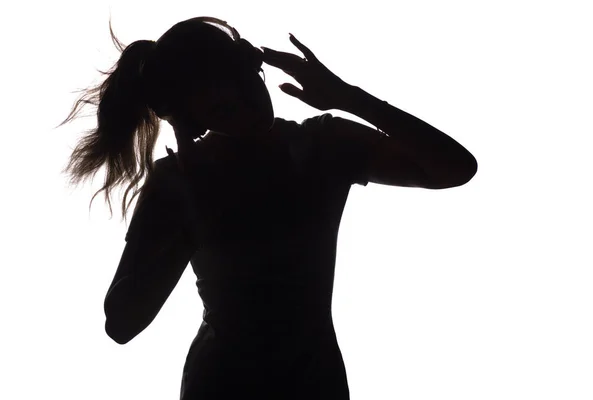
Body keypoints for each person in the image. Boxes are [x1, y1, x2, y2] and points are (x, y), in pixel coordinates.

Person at [57, 15, 478, 400]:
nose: (252, 104)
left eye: (249, 80)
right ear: (190, 118)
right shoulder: (178, 183)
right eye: (225, 104)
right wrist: (193, 209)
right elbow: (122, 322)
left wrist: (348, 97)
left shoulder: (323, 144)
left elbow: (456, 168)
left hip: (316, 384)